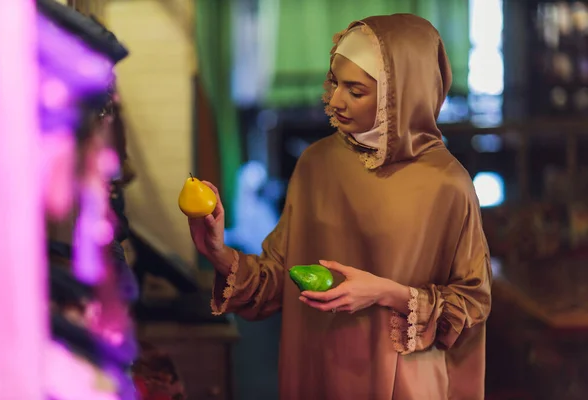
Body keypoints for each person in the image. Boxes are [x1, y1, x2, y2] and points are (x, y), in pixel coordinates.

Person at [188, 14, 492, 400]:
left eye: (356, 90)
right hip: (318, 370)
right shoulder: (316, 164)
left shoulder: (448, 184)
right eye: (335, 81)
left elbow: (471, 304)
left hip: (405, 384)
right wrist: (217, 251)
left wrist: (386, 292)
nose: (335, 100)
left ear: (402, 94)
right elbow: (279, 278)